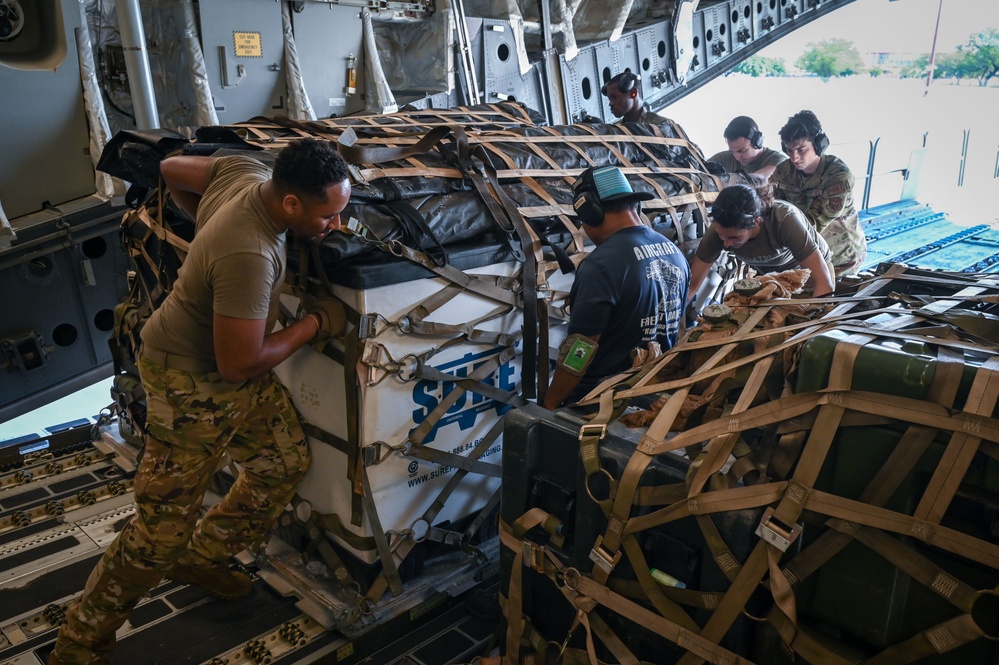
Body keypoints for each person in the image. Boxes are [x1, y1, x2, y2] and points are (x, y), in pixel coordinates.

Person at [49, 139, 351, 665]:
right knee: (158, 533)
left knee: (282, 464)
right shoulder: (249, 254)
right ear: (290, 205)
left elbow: (169, 168)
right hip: (188, 382)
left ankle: (202, 557)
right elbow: (240, 364)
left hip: (226, 370)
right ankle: (78, 642)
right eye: (329, 216)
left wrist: (201, 230)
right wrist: (314, 323)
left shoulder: (246, 172)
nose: (337, 227)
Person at [543, 166, 690, 409]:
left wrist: (549, 404)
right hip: (654, 397)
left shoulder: (601, 265)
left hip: (601, 402)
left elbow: (580, 350)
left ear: (590, 213)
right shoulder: (674, 252)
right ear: (636, 206)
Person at [688, 183, 835, 300]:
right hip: (770, 276)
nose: (726, 244)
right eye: (722, 236)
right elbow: (693, 286)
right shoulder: (719, 231)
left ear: (756, 222)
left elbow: (823, 283)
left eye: (734, 238)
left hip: (807, 275)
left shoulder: (784, 221)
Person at [771, 110, 867, 277]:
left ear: (818, 144)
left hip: (842, 259)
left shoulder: (838, 176)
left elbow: (814, 223)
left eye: (801, 149)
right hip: (805, 252)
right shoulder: (783, 171)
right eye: (789, 150)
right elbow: (773, 208)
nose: (795, 157)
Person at [708, 115, 787, 179]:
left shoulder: (779, 161)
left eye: (742, 151)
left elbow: (760, 179)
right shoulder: (723, 158)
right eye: (732, 152)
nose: (737, 157)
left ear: (758, 142)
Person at [601, 69, 669, 125]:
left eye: (615, 97)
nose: (610, 103)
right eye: (610, 99)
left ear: (633, 93)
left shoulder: (662, 125)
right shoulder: (616, 130)